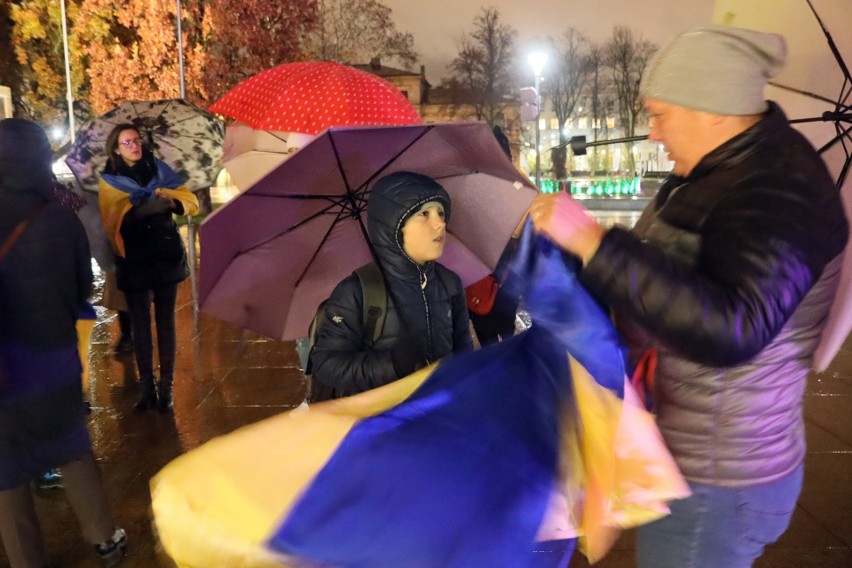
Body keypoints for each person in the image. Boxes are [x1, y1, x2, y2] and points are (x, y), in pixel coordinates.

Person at [529, 26, 849, 568]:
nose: (653, 132)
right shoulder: (724, 169)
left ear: (716, 110)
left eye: (661, 114)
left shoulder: (778, 194)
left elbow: (734, 327)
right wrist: (577, 258)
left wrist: (594, 242)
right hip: (689, 456)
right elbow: (668, 270)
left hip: (719, 481)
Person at [0, 118, 127, 567]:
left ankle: (25, 558)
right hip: (54, 355)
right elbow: (81, 286)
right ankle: (104, 537)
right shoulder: (59, 215)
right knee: (71, 447)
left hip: (6, 367)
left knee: (7, 470)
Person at [310, 171, 474, 398]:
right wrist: (392, 364)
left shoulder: (449, 283)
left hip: (438, 418)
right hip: (383, 424)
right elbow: (326, 364)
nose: (439, 224)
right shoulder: (358, 291)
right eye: (424, 214)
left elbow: (463, 351)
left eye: (441, 213)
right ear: (393, 226)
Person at [99, 124, 199, 412]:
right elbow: (110, 222)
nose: (134, 145)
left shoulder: (159, 169)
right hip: (134, 260)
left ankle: (166, 388)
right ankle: (147, 389)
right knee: (141, 327)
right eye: (127, 142)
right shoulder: (110, 180)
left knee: (166, 323)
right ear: (116, 149)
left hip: (165, 255)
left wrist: (171, 203)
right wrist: (140, 211)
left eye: (136, 140)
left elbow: (189, 201)